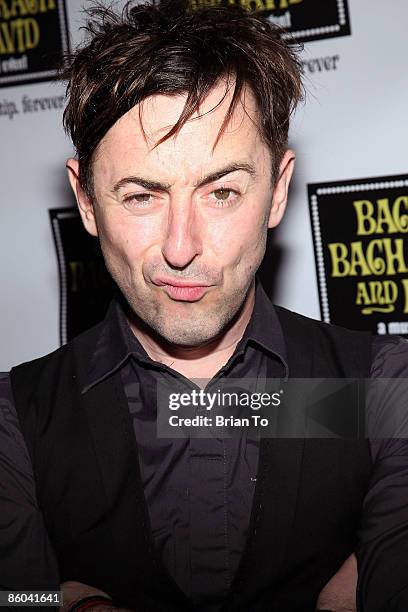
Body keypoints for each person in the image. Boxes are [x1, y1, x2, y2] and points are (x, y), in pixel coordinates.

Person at [1, 1, 408, 611]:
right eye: (141, 196)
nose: (182, 248)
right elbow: (15, 593)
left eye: (222, 193)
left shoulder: (380, 388)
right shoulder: (18, 417)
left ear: (277, 191)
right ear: (86, 202)